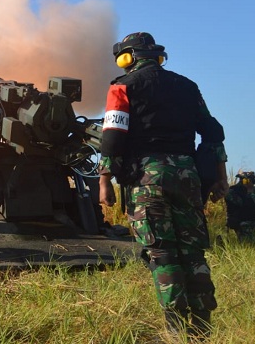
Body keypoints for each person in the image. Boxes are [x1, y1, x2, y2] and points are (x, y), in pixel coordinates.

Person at [98, 32, 228, 339]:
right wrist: (219, 178)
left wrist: (104, 181)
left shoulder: (121, 86)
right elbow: (212, 132)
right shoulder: (187, 86)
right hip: (187, 177)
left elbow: (112, 136)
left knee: (162, 251)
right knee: (193, 251)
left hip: (147, 178)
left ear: (127, 58)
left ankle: (175, 329)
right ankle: (202, 328)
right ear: (157, 56)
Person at [225, 171, 255, 240]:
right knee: (248, 243)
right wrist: (249, 191)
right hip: (240, 221)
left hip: (252, 219)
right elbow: (246, 205)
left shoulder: (254, 191)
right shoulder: (233, 191)